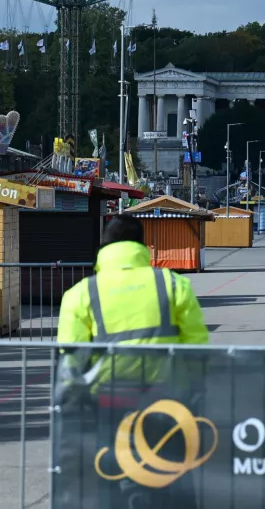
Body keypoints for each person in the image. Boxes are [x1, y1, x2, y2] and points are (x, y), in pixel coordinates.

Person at [56, 214, 209, 508]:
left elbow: (71, 356)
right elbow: (198, 345)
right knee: (172, 475)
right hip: (167, 402)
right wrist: (191, 389)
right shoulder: (172, 284)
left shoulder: (81, 293)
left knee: (113, 477)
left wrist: (78, 400)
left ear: (104, 246)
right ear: (143, 245)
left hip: (110, 404)